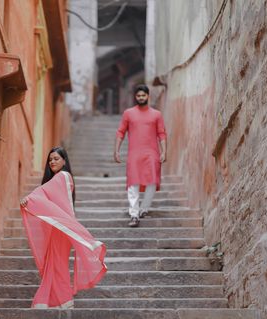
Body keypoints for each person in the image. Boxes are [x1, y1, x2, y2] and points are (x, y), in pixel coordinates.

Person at [20, 146, 107, 309]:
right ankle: (54, 301)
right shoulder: (56, 180)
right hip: (57, 230)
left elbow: (43, 191)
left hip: (62, 230)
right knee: (52, 265)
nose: (52, 162)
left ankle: (61, 299)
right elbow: (45, 193)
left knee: (58, 265)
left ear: (64, 161)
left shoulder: (63, 177)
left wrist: (30, 199)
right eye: (50, 159)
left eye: (56, 159)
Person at [114, 85, 167, 227]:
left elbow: (161, 133)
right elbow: (120, 132)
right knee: (133, 183)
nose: (141, 98)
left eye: (143, 95)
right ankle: (134, 214)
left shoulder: (156, 114)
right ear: (135, 97)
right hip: (134, 154)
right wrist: (116, 151)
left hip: (152, 153)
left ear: (148, 96)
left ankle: (144, 209)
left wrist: (164, 151)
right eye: (138, 96)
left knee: (152, 182)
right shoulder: (128, 113)